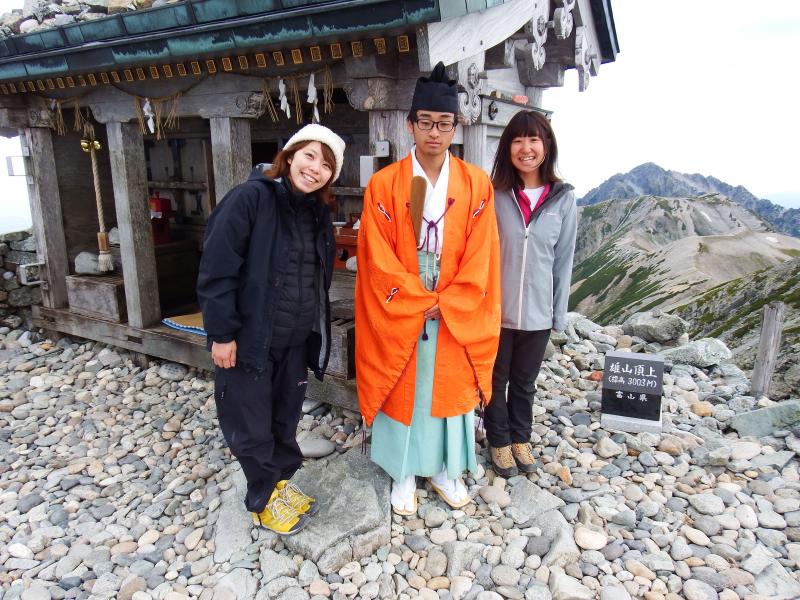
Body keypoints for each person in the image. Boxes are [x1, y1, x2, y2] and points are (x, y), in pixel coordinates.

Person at [355, 62, 501, 516]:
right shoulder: (384, 184)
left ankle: (444, 468)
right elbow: (376, 254)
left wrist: (451, 300)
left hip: (456, 287)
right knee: (404, 378)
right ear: (410, 125)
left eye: (443, 123)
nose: (434, 133)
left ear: (456, 127)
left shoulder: (476, 183)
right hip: (403, 288)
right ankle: (402, 470)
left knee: (449, 380)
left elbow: (482, 252)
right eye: (426, 122)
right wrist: (414, 299)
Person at [197, 124, 345, 534]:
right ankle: (262, 499)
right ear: (290, 155)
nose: (315, 169)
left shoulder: (317, 214)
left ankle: (280, 483)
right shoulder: (250, 198)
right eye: (310, 155)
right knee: (251, 421)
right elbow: (216, 269)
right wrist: (221, 334)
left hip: (294, 339)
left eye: (326, 165)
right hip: (251, 340)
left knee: (284, 418)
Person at [485, 110, 577, 477]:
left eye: (534, 139)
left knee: (524, 382)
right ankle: (498, 441)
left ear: (547, 145)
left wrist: (558, 314)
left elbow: (564, 261)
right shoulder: (494, 195)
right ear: (507, 147)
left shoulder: (563, 199)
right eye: (518, 140)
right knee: (495, 380)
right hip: (497, 310)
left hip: (538, 313)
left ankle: (521, 438)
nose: (526, 148)